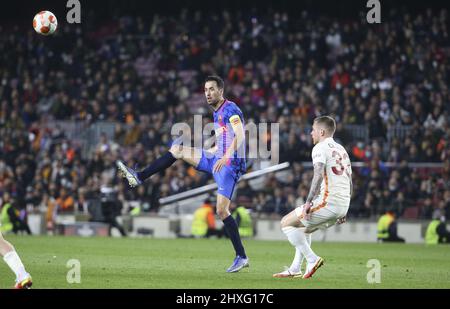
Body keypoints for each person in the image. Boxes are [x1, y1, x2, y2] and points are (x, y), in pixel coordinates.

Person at [117, 76, 249, 272]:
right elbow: (224, 138)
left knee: (221, 211)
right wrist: (210, 150)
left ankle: (242, 256)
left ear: (221, 91)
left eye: (212, 89)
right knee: (178, 150)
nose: (208, 93)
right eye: (205, 90)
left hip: (230, 165)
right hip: (217, 159)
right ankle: (140, 177)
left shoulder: (230, 108)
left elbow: (240, 134)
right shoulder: (217, 112)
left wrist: (225, 156)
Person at [273, 116, 352, 279]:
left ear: (321, 132)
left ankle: (312, 259)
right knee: (304, 229)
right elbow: (349, 180)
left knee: (285, 224)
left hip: (328, 201)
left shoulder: (320, 148)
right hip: (342, 203)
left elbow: (317, 175)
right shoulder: (341, 149)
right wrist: (345, 209)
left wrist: (308, 202)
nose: (311, 133)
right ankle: (295, 268)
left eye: (313, 130)